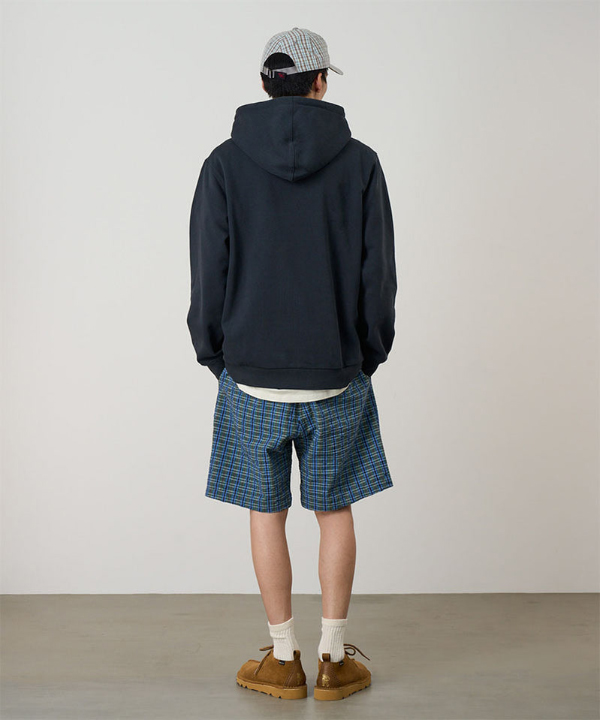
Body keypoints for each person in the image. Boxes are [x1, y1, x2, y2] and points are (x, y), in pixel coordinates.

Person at [186, 26, 397, 701]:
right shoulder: (361, 163)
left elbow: (208, 270)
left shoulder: (224, 163)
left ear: (263, 84)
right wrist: (367, 353)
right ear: (320, 83)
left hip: (250, 374)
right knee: (335, 511)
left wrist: (215, 353)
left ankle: (283, 658)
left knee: (264, 513)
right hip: (336, 373)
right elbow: (378, 276)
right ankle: (334, 658)